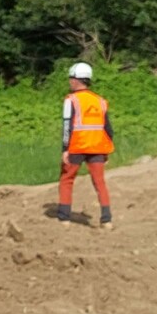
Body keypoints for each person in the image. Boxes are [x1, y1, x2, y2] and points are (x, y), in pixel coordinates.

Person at [52, 61, 114, 228]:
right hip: (97, 148)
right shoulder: (100, 101)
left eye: (70, 78)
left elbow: (67, 126)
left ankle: (64, 217)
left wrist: (65, 149)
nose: (69, 81)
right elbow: (108, 129)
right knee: (99, 182)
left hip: (76, 147)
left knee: (66, 179)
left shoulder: (70, 100)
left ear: (75, 80)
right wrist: (106, 151)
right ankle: (106, 219)